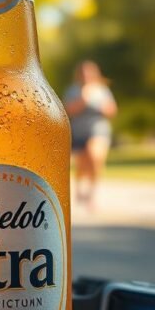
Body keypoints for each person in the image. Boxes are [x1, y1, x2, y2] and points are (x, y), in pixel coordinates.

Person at [65, 61, 117, 211]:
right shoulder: (73, 90)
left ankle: (92, 195)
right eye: (83, 73)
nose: (86, 76)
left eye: (89, 73)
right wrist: (83, 99)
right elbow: (68, 110)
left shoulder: (102, 90)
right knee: (82, 164)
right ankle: (80, 189)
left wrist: (102, 106)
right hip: (79, 131)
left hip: (98, 130)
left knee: (95, 158)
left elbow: (112, 110)